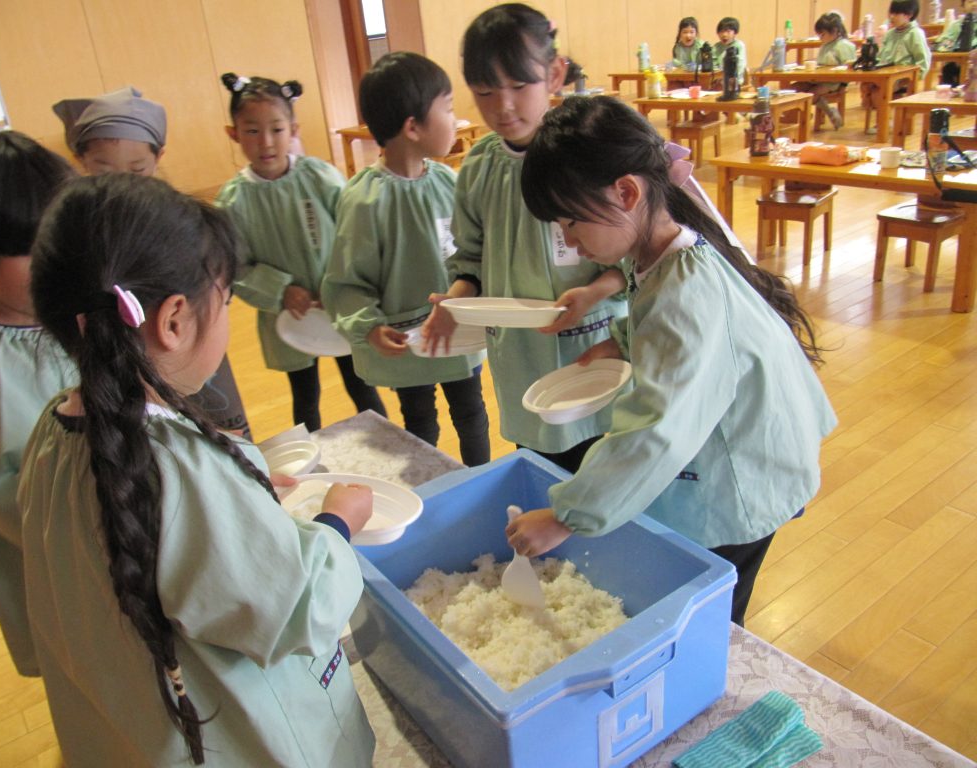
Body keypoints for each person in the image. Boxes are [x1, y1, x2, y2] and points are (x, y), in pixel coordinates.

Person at [20, 173, 376, 766]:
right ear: (175, 320)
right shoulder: (178, 468)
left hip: (126, 732)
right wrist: (339, 523)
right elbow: (300, 609)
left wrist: (236, 484)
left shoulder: (52, 430)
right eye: (226, 301)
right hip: (230, 739)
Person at [507, 97, 837, 626]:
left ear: (626, 192)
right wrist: (621, 341)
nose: (568, 240)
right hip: (748, 444)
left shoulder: (684, 295)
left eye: (571, 221)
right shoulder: (662, 253)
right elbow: (656, 324)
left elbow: (655, 430)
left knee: (712, 615)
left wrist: (567, 516)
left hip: (743, 475)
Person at [421, 3, 629, 474]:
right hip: (522, 354)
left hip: (596, 342)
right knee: (540, 462)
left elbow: (635, 255)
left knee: (605, 464)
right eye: (485, 91)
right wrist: (456, 300)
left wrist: (594, 291)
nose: (503, 106)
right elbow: (470, 259)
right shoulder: (480, 167)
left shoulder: (588, 152)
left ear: (554, 75)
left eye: (519, 86)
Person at [53, 86, 252, 437]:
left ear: (159, 156)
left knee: (217, 431)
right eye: (104, 170)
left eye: (137, 169)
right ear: (80, 160)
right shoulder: (79, 230)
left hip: (188, 352)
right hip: (127, 377)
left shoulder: (179, 223)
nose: (123, 183)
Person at [322, 52, 491, 466]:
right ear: (413, 127)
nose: (456, 120)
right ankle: (429, 489)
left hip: (457, 331)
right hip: (406, 341)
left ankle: (481, 483)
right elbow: (346, 281)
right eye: (447, 109)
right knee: (419, 422)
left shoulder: (448, 181)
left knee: (472, 415)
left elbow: (473, 250)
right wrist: (369, 326)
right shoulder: (365, 200)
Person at [0, 131, 76, 676]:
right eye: (44, 251)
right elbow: (26, 511)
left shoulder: (45, 321)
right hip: (76, 584)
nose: (69, 263)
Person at [216, 73, 387, 432]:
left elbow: (356, 232)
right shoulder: (233, 201)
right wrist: (281, 290)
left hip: (338, 304)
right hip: (288, 315)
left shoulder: (319, 177)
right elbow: (235, 267)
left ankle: (386, 441)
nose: (266, 142)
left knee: (362, 383)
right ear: (233, 134)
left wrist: (343, 284)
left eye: (276, 130)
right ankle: (310, 456)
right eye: (252, 131)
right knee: (305, 396)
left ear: (293, 129)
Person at [860, 0, 931, 133]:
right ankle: (883, 118)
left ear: (909, 15)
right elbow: (881, 56)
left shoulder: (915, 33)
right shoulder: (890, 34)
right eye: (891, 13)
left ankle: (883, 123)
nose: (892, 17)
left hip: (904, 77)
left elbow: (923, 61)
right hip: (885, 73)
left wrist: (915, 78)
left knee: (880, 91)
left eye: (896, 13)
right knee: (866, 85)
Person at [793, 12, 858, 129]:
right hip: (817, 78)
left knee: (812, 93)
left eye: (822, 34)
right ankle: (794, 117)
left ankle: (824, 112)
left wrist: (843, 83)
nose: (820, 38)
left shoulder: (844, 45)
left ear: (834, 31)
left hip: (833, 82)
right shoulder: (825, 44)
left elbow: (850, 68)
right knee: (794, 89)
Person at [713, 17, 747, 86]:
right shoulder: (716, 47)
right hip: (718, 81)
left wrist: (728, 79)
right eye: (721, 31)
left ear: (735, 33)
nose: (724, 35)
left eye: (728, 31)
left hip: (735, 83)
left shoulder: (739, 45)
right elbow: (713, 65)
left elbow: (740, 66)